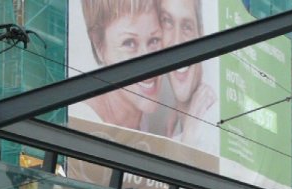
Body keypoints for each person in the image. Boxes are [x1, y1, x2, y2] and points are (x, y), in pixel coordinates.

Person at [79, 0, 163, 129]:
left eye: (154, 40)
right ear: (98, 46)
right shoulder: (80, 122)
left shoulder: (140, 118)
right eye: (129, 43)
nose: (148, 63)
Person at [158, 0, 216, 148]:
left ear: (201, 34)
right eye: (168, 22)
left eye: (187, 27)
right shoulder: (175, 127)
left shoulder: (213, 125)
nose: (177, 41)